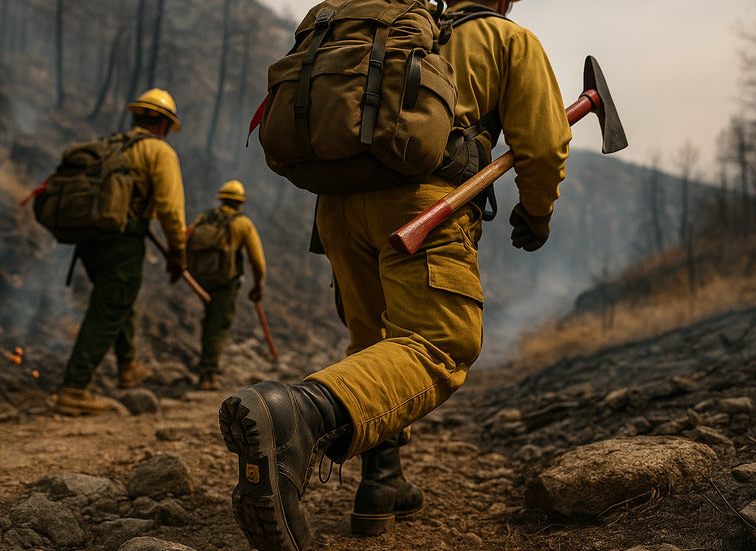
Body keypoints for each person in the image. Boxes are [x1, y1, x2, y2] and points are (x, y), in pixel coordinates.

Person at [218, 0, 571, 548]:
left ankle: (382, 481)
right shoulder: (507, 39)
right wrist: (537, 212)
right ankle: (299, 416)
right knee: (440, 342)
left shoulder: (395, 27)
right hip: (422, 207)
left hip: (338, 208)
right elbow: (543, 144)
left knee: (374, 343)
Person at [52, 88, 188, 416]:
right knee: (109, 307)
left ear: (137, 116)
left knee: (118, 298)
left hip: (90, 242)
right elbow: (170, 209)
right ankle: (74, 388)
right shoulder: (159, 151)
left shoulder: (113, 144)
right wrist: (178, 251)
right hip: (123, 242)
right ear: (165, 124)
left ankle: (128, 367)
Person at [188, 180, 266, 391]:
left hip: (202, 280)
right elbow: (257, 262)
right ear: (240, 202)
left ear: (221, 199)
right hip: (226, 284)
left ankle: (206, 367)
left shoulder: (204, 218)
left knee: (209, 323)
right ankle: (208, 376)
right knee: (218, 326)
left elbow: (187, 238)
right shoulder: (242, 224)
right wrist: (258, 285)